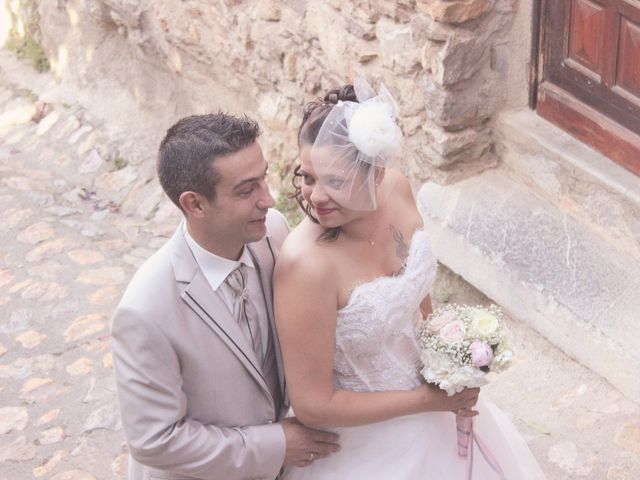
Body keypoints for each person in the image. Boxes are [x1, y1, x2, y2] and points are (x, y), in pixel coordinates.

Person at [273, 81, 545, 479]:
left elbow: (415, 290)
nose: (315, 197)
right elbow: (313, 404)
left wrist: (445, 351)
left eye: (334, 180)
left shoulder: (397, 186)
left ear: (376, 170)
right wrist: (426, 400)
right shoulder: (307, 265)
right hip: (367, 444)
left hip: (436, 397)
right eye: (308, 177)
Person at [111, 113, 340, 480]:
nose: (269, 199)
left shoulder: (274, 234)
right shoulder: (144, 310)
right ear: (195, 205)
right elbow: (154, 440)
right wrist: (275, 445)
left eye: (264, 178)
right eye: (247, 190)